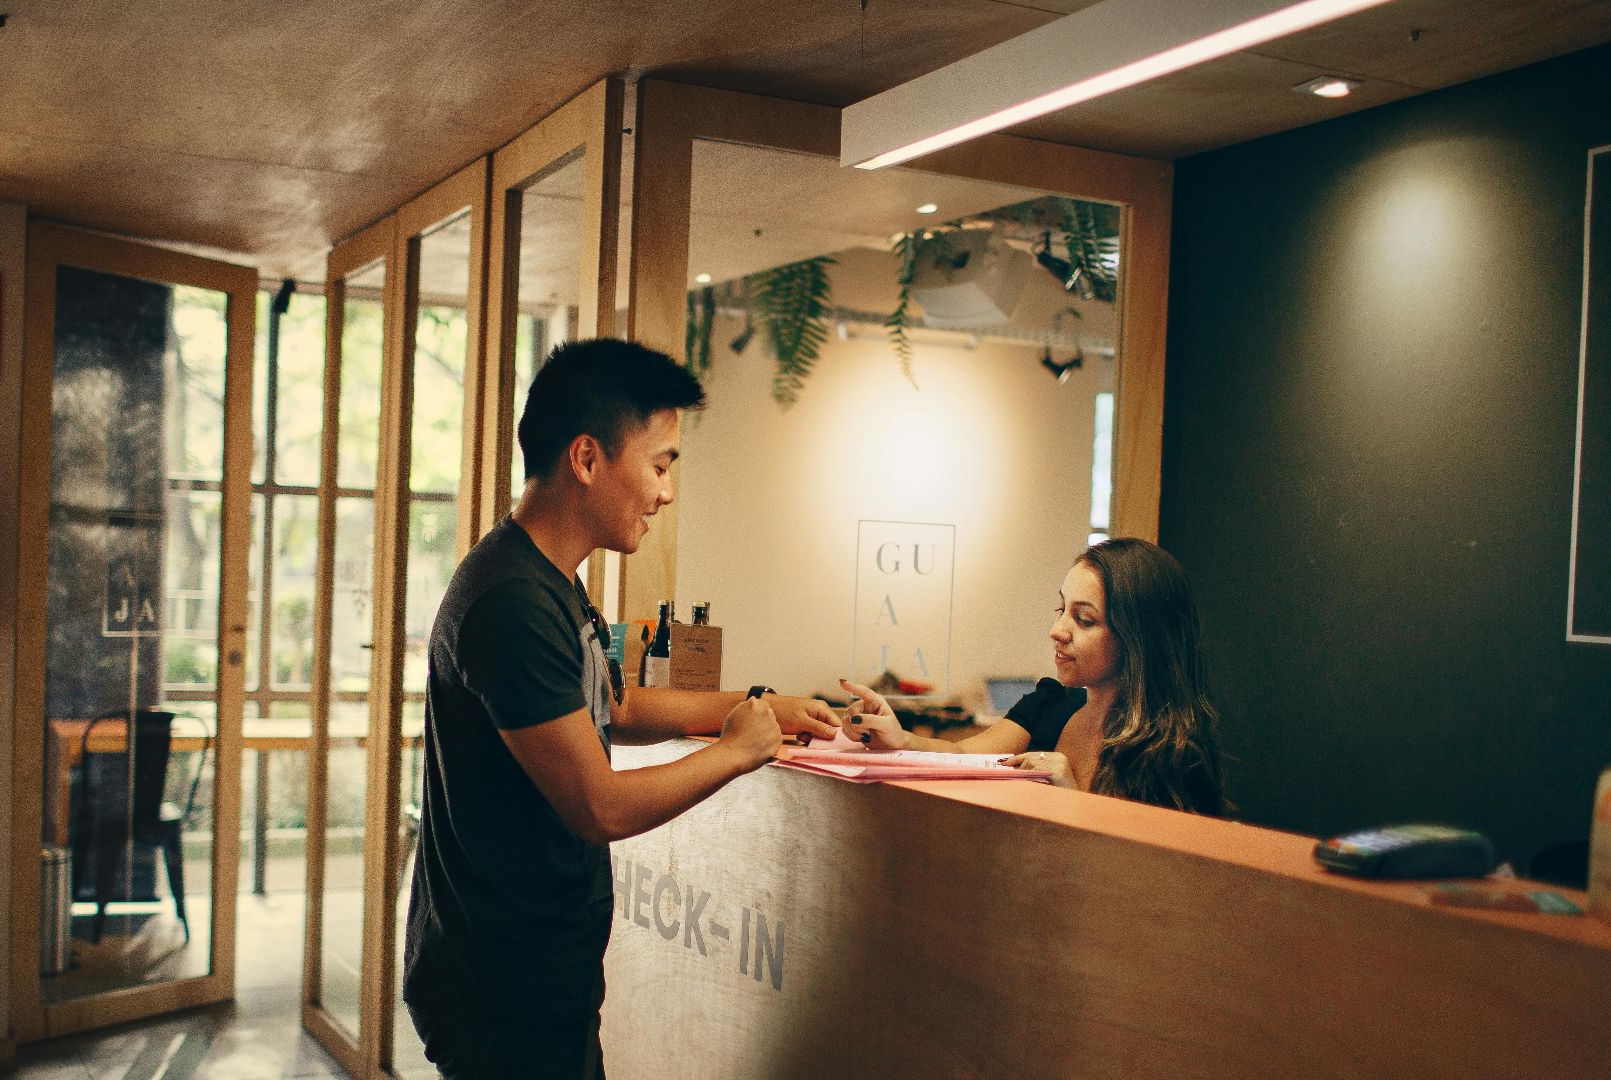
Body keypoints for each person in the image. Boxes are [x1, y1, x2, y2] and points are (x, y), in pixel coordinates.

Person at [403, 337, 839, 1079]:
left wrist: (760, 704)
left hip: (534, 972)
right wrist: (734, 751)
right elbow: (597, 807)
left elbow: (616, 705)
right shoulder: (511, 602)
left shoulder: (550, 582)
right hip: (501, 985)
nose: (666, 492)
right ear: (586, 458)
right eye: (661, 464)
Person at [842, 538, 1224, 816]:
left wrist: (1071, 797)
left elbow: (1155, 883)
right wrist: (899, 738)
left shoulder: (1174, 754)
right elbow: (961, 756)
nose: (1057, 630)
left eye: (1084, 619)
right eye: (1061, 609)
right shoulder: (1050, 704)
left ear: (1139, 638)